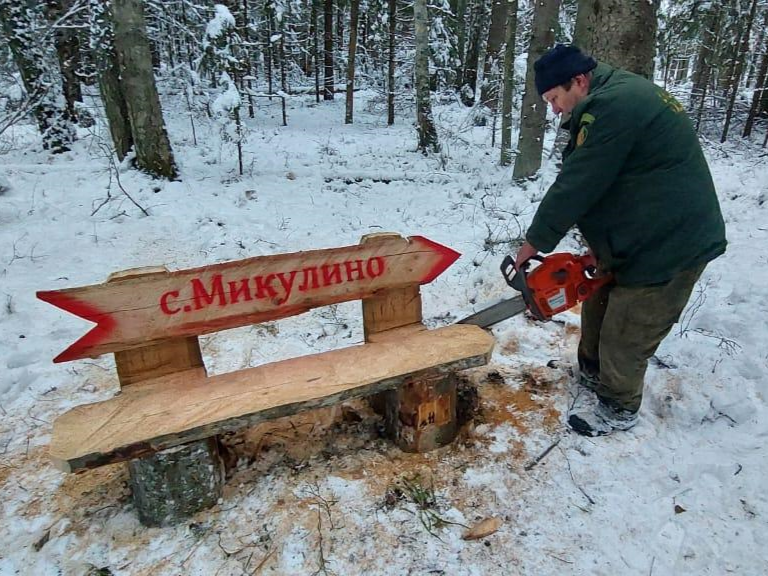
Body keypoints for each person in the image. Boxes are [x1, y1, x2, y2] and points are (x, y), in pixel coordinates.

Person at [514, 44, 727, 437]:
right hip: (637, 232)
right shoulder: (612, 98)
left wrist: (534, 242)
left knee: (627, 329)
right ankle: (594, 375)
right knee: (596, 304)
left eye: (555, 99)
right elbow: (612, 180)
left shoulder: (617, 104)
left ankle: (618, 406)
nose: (555, 109)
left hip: (669, 243)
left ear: (578, 81)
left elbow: (580, 181)